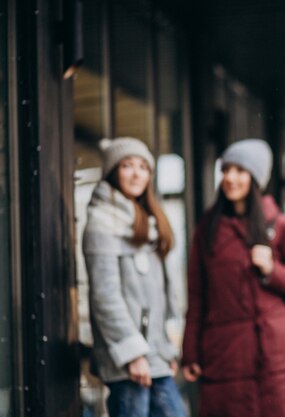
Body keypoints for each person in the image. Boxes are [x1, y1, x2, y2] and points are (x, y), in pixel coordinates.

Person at [181, 139, 285, 417]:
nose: (230, 178)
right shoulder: (207, 229)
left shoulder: (279, 224)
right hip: (225, 357)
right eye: (226, 170)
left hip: (275, 358)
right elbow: (197, 295)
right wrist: (190, 352)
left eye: (240, 171)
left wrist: (272, 271)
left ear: (255, 178)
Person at [82, 137, 186, 417]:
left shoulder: (149, 220)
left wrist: (165, 349)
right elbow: (105, 296)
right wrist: (132, 354)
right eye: (127, 165)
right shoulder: (101, 221)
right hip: (129, 360)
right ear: (113, 172)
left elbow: (160, 295)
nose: (137, 173)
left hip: (154, 354)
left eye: (143, 166)